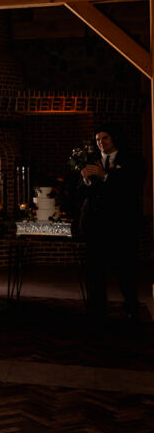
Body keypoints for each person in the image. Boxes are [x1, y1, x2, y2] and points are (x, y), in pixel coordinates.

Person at [78, 123, 142, 322]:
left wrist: (104, 176)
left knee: (124, 270)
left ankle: (131, 306)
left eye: (104, 138)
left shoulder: (131, 161)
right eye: (98, 140)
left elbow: (131, 189)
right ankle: (97, 310)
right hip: (95, 226)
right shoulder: (92, 161)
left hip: (120, 226)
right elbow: (81, 193)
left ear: (114, 138)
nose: (101, 143)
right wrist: (86, 180)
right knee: (94, 271)